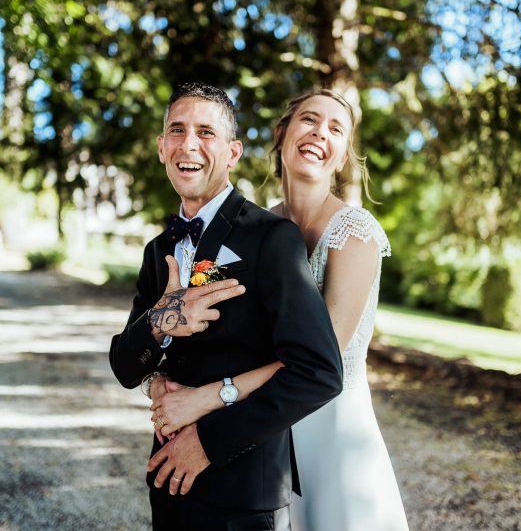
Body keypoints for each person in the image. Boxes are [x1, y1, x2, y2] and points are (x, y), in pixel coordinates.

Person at [150, 88, 410, 530]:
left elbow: (316, 362)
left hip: (330, 427)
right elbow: (213, 326)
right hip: (260, 427)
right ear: (282, 133)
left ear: (344, 155)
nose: (319, 134)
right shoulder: (254, 228)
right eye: (309, 119)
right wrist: (164, 378)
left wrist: (208, 398)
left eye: (336, 128)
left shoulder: (355, 232)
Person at [109, 82, 343, 530]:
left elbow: (319, 372)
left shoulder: (271, 238)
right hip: (168, 480)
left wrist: (209, 443)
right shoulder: (158, 249)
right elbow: (124, 367)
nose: (188, 144)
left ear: (233, 153)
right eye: (176, 130)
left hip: (242, 491)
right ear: (162, 148)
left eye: (206, 132)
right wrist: (161, 322)